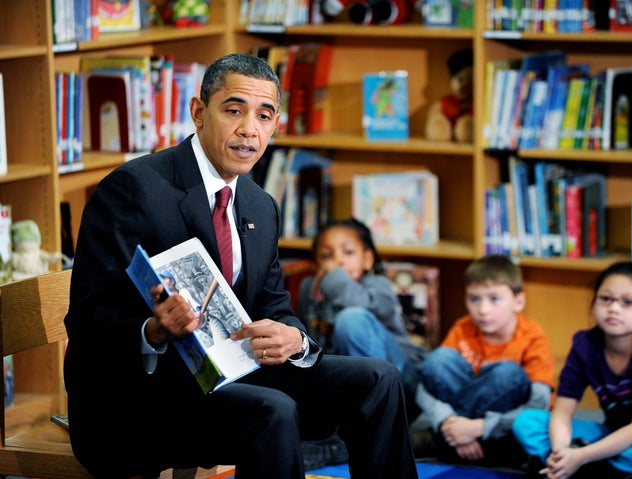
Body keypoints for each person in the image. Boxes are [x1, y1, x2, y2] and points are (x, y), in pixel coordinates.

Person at [63, 52, 418, 479]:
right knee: (273, 409)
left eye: (265, 116)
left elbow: (274, 304)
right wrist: (154, 329)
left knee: (378, 379)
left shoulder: (260, 205)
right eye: (234, 110)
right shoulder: (133, 189)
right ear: (198, 112)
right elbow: (87, 318)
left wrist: (293, 338)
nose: (249, 129)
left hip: (234, 376)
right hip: (140, 399)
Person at [512, 261, 632, 479]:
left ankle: (583, 464)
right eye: (606, 299)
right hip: (613, 433)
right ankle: (575, 465)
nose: (614, 308)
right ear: (594, 304)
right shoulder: (584, 345)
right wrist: (559, 450)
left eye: (628, 302)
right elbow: (562, 412)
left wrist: (581, 455)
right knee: (527, 423)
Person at [295, 217, 428, 468]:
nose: (338, 261)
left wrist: (334, 278)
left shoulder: (377, 285)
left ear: (367, 259)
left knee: (351, 319)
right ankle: (334, 436)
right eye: (326, 255)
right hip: (348, 391)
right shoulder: (309, 289)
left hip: (401, 383)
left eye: (348, 252)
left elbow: (357, 305)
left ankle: (352, 437)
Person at [413, 254, 555, 467]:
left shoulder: (533, 336)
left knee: (507, 374)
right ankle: (460, 441)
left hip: (504, 423)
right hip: (459, 422)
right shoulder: (464, 327)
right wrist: (447, 421)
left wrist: (479, 427)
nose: (483, 310)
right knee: (437, 360)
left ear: (518, 302)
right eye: (474, 299)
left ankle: (445, 443)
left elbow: (539, 405)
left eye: (494, 299)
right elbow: (424, 385)